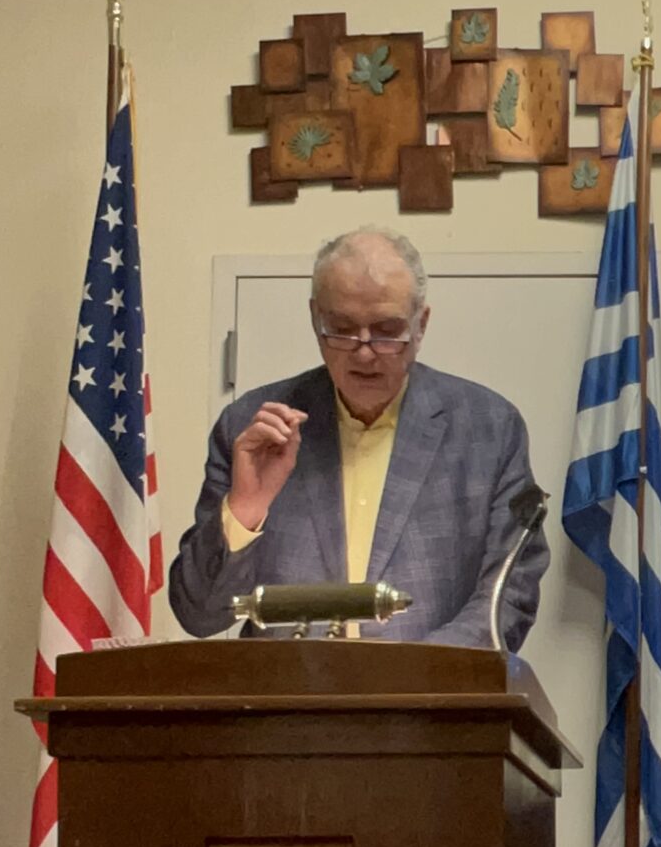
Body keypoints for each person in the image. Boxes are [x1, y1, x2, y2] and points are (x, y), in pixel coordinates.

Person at [168, 226, 548, 646]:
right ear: (315, 319)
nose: (364, 352)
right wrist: (245, 509)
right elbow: (198, 614)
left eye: (386, 330)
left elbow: (508, 598)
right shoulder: (253, 427)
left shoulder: (488, 429)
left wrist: (415, 673)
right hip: (286, 687)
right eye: (343, 328)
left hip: (427, 688)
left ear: (421, 325)